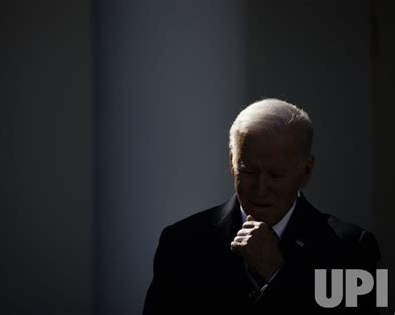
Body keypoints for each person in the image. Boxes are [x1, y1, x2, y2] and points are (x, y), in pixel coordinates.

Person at [143, 98, 381, 314]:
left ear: (306, 171)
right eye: (248, 171)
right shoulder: (181, 244)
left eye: (276, 175)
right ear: (231, 162)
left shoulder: (353, 249)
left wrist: (278, 275)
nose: (260, 188)